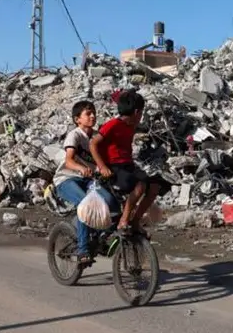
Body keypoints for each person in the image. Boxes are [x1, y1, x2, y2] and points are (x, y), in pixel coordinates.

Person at [89, 89, 161, 234]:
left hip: (127, 166)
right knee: (139, 185)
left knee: (154, 186)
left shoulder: (131, 126)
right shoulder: (113, 125)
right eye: (141, 112)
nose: (141, 116)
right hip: (113, 167)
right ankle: (124, 220)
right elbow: (93, 144)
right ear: (136, 112)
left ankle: (135, 221)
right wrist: (102, 167)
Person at [53, 100, 115, 262]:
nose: (93, 116)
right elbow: (69, 161)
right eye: (88, 114)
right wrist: (80, 168)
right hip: (67, 179)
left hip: (88, 181)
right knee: (85, 204)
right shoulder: (75, 135)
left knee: (111, 203)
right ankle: (83, 249)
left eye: (94, 112)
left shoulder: (96, 137)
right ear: (77, 119)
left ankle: (97, 238)